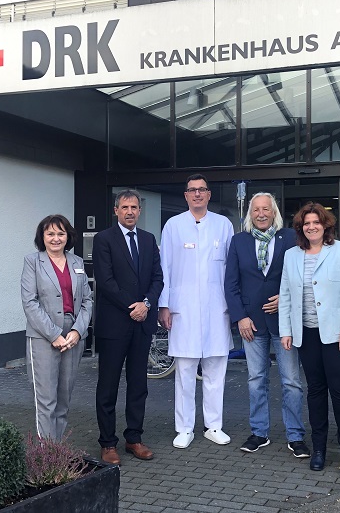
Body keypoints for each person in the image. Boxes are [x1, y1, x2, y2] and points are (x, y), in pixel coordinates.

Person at [279, 202, 340, 478]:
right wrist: (286, 330)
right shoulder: (292, 255)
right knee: (315, 391)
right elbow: (286, 295)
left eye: (316, 222)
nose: (311, 227)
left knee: (339, 392)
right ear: (301, 228)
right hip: (307, 334)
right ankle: (318, 450)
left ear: (325, 225)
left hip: (338, 334)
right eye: (306, 223)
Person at [224, 192, 310, 458]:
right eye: (256, 210)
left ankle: (295, 436)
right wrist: (240, 317)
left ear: (274, 212)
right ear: (251, 214)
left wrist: (284, 300)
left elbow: (301, 278)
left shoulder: (290, 240)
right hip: (251, 323)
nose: (261, 214)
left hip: (284, 323)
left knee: (292, 381)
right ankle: (259, 433)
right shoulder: (239, 241)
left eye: (266, 209)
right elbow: (230, 283)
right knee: (255, 380)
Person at [158, 174, 234, 449]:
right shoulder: (173, 226)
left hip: (217, 307)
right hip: (183, 308)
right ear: (186, 195)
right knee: (185, 371)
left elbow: (232, 269)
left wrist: (234, 307)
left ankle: (214, 425)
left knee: (216, 369)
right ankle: (184, 428)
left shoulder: (223, 225)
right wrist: (164, 304)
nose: (198, 194)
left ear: (209, 194)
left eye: (202, 190)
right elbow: (164, 267)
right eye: (192, 190)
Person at [93, 190, 164, 465]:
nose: (130, 211)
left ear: (140, 210)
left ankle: (134, 438)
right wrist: (132, 306)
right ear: (116, 210)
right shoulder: (103, 239)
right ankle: (107, 443)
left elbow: (158, 278)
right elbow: (106, 281)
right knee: (108, 385)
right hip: (115, 325)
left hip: (142, 324)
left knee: (138, 384)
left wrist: (146, 304)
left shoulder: (148, 240)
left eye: (134, 207)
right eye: (125, 207)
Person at [21, 214, 93, 441]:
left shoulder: (77, 262)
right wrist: (54, 334)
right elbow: (29, 302)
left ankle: (57, 452)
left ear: (68, 236)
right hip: (44, 337)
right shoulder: (33, 261)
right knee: (46, 401)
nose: (55, 238)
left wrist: (77, 331)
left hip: (73, 337)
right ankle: (46, 457)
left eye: (60, 233)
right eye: (50, 233)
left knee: (63, 400)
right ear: (42, 237)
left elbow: (87, 300)